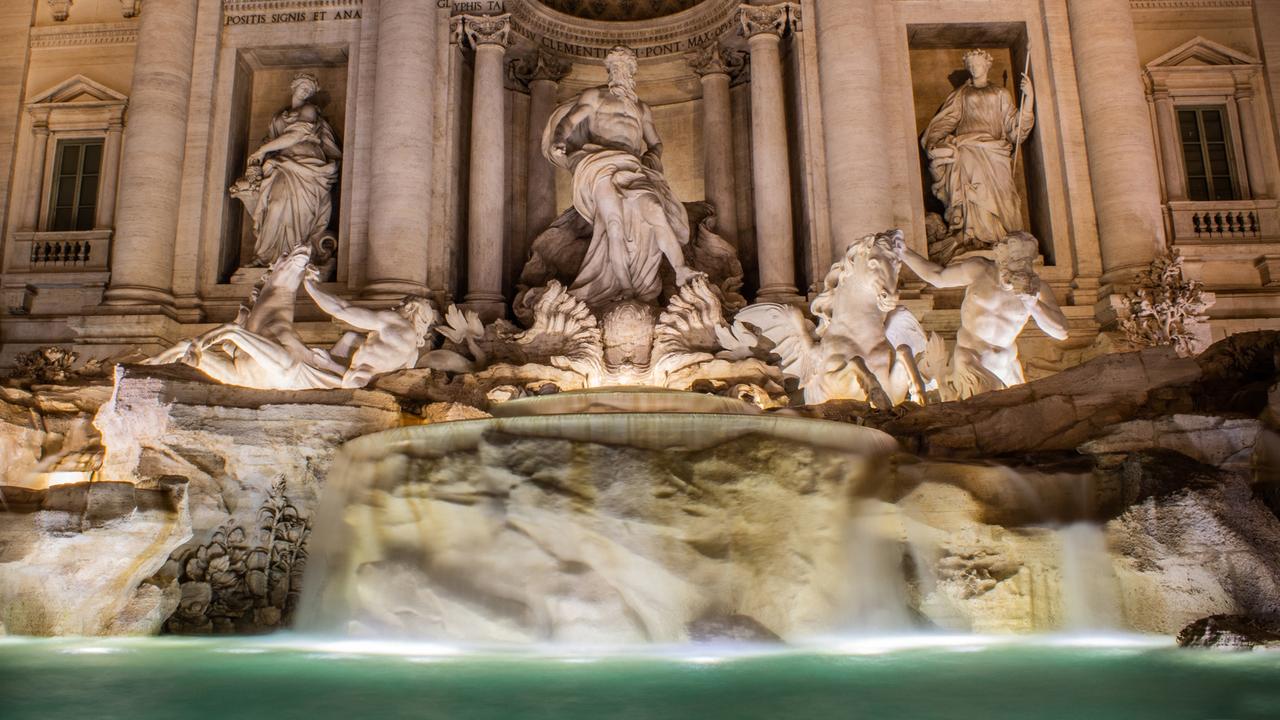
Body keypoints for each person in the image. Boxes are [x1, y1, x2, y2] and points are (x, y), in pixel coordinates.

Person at [542, 46, 699, 307]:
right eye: (614, 68)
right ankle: (626, 288)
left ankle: (681, 268)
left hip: (633, 166)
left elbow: (656, 143)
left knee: (655, 209)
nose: (619, 73)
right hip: (599, 164)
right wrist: (559, 139)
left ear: (632, 73)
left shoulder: (642, 109)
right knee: (613, 226)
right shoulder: (595, 97)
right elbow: (568, 123)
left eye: (625, 68)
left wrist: (653, 158)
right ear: (609, 71)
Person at [897, 232, 1068, 398]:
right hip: (971, 361)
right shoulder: (979, 269)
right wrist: (903, 252)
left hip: (1007, 366)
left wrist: (1033, 304)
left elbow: (1061, 332)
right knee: (995, 408)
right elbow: (937, 277)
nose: (1022, 266)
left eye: (1027, 261)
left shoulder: (1036, 288)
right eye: (1016, 259)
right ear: (1002, 257)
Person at [922, 49, 1034, 253]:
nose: (975, 69)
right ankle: (973, 235)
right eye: (971, 66)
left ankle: (1001, 236)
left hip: (995, 151)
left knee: (1003, 195)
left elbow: (1014, 128)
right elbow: (948, 119)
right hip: (967, 147)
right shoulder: (961, 94)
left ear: (987, 66)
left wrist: (1029, 99)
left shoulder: (1001, 93)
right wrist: (933, 139)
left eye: (978, 65)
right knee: (972, 190)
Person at [235, 72, 342, 266]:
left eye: (309, 90)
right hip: (282, 166)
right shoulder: (279, 116)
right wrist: (261, 158)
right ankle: (266, 257)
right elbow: (272, 140)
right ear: (294, 86)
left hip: (306, 168)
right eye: (303, 86)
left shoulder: (309, 110)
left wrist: (262, 150)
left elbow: (295, 135)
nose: (306, 91)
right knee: (275, 206)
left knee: (299, 214)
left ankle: (296, 259)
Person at [302, 267, 436, 388]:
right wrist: (331, 365)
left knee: (298, 368)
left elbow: (342, 309)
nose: (394, 307)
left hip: (353, 382)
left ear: (410, 307)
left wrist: (311, 286)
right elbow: (374, 380)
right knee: (351, 337)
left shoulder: (394, 320)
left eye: (400, 304)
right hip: (359, 384)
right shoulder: (414, 353)